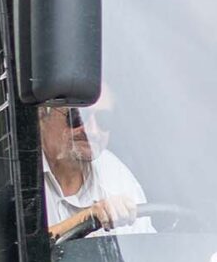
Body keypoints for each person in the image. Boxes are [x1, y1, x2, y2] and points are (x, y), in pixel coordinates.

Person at [40, 101, 151, 239]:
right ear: (42, 116)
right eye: (77, 116)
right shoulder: (17, 172)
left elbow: (143, 248)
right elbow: (18, 251)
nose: (92, 130)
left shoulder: (116, 174)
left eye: (103, 119)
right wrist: (86, 218)